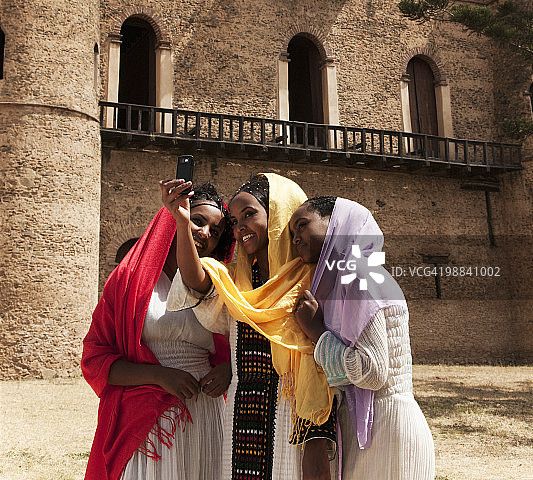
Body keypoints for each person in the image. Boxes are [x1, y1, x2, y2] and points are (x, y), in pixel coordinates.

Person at [161, 172, 337, 480]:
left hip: (294, 411)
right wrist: (180, 221)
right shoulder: (237, 282)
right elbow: (196, 280)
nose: (240, 226)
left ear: (279, 215)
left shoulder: (314, 278)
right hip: (243, 413)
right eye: (234, 219)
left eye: (249, 214)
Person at [81, 182, 234, 480]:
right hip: (147, 418)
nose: (204, 233)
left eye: (214, 232)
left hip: (204, 409)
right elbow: (95, 359)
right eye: (198, 220)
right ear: (178, 215)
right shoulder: (126, 280)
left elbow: (240, 346)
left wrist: (229, 369)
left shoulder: (220, 285)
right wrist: (160, 375)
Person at [290, 196, 435, 480]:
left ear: (336, 226)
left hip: (387, 429)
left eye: (303, 226)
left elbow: (371, 371)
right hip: (379, 424)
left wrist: (316, 331)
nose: (296, 238)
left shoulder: (357, 275)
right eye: (292, 233)